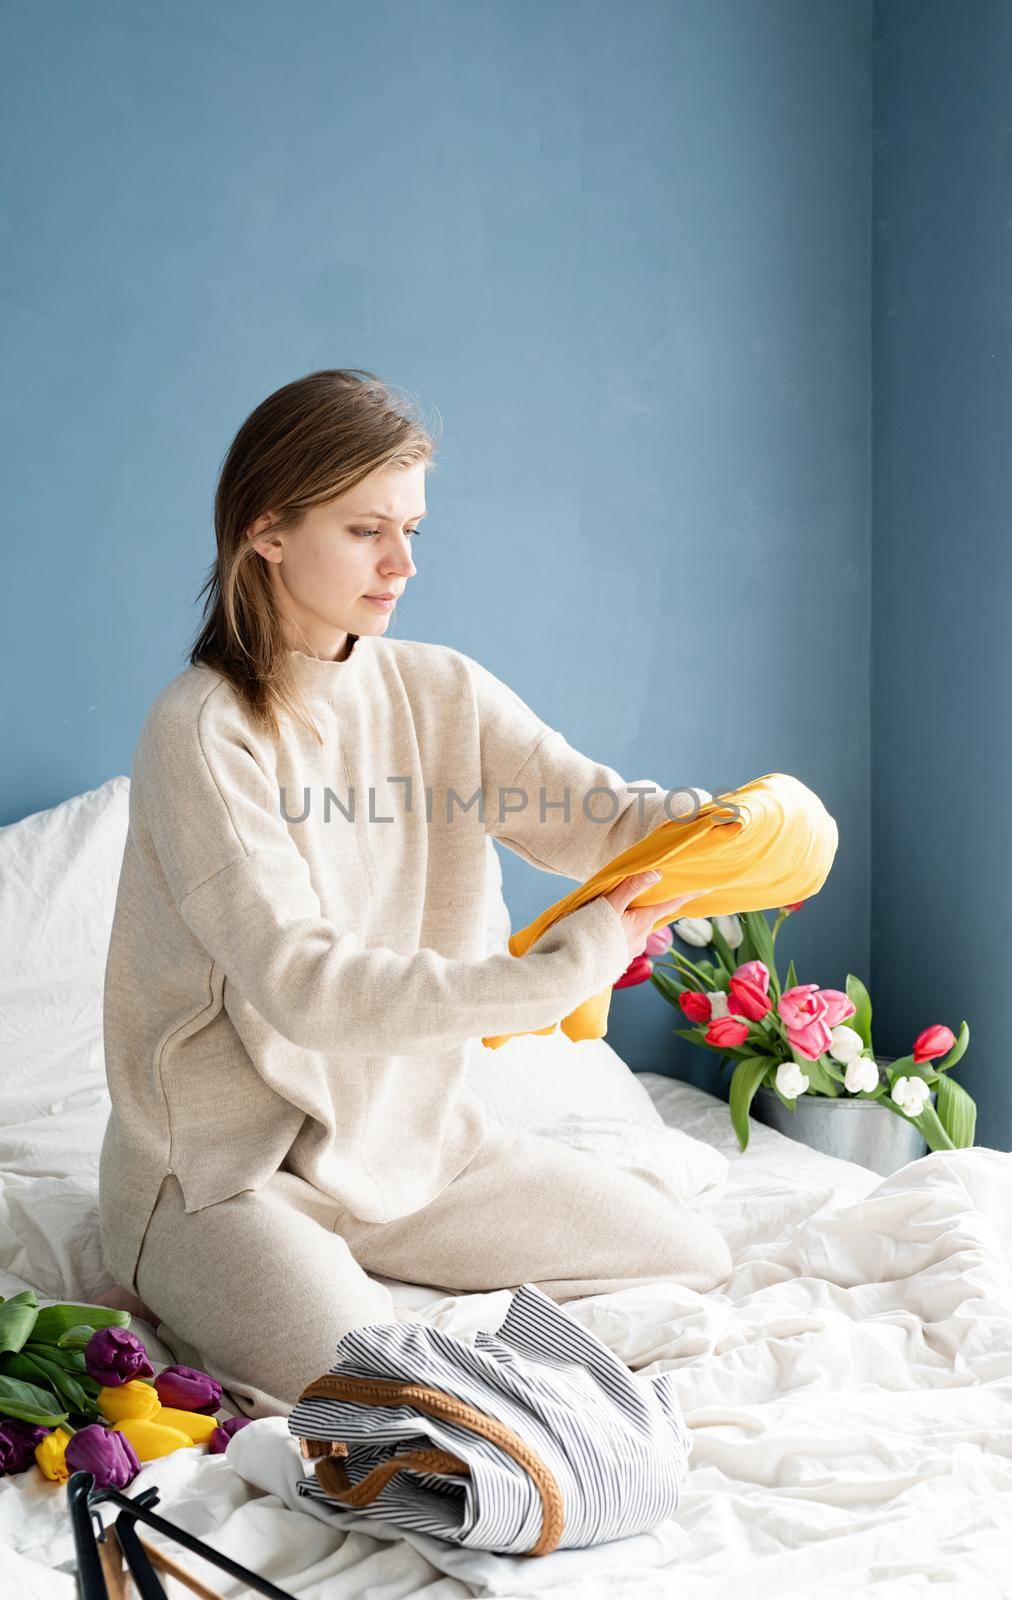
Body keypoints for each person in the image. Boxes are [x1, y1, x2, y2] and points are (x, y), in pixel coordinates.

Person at [98, 368, 732, 1419]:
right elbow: (303, 986)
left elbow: (595, 813)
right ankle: (196, 1267)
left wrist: (727, 830)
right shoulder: (201, 730)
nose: (400, 564)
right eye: (364, 530)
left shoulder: (438, 690)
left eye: (413, 531)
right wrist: (559, 974)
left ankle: (376, 1291)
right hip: (231, 1178)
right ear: (266, 529)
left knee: (687, 1253)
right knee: (397, 1404)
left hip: (418, 1154)